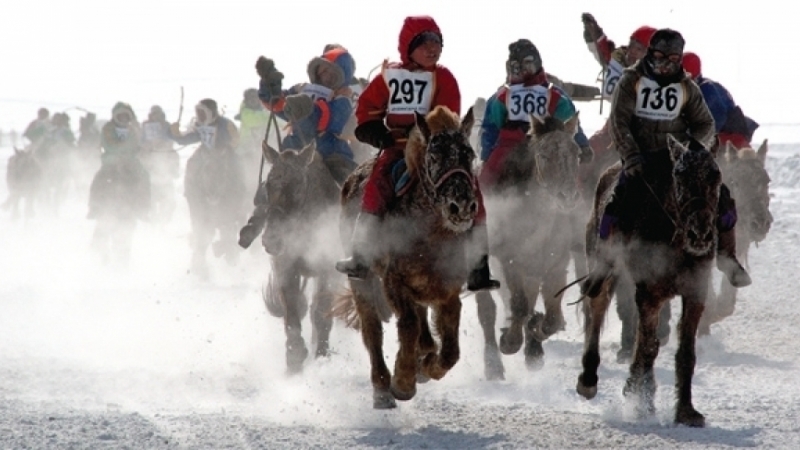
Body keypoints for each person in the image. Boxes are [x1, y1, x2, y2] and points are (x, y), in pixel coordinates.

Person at [332, 15, 500, 291]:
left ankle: (479, 267)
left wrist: (427, 136)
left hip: (436, 148)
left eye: (437, 42)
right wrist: (373, 129)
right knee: (376, 185)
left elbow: (448, 116)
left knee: (472, 192)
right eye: (425, 43)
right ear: (408, 46)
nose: (433, 48)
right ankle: (360, 256)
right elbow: (368, 107)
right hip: (397, 147)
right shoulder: (389, 76)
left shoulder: (443, 77)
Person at [581, 28, 751, 297]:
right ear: (651, 53)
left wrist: (694, 148)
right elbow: (619, 122)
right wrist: (630, 154)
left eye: (672, 59)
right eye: (659, 56)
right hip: (641, 156)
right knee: (615, 201)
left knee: (721, 196)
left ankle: (727, 257)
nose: (664, 64)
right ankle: (602, 265)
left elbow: (705, 123)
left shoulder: (686, 86)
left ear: (679, 59)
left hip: (679, 158)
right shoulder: (632, 80)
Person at [238, 45, 361, 248]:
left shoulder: (344, 95)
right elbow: (277, 105)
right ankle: (256, 223)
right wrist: (270, 85)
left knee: (353, 189)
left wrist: (308, 110)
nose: (325, 75)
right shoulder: (301, 89)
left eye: (331, 72)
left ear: (342, 74)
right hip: (294, 151)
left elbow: (333, 121)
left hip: (331, 153)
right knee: (273, 182)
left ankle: (355, 239)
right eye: (322, 70)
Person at [479, 38, 588, 188]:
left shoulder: (553, 94)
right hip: (512, 145)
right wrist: (487, 153)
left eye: (528, 63)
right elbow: (491, 126)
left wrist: (582, 144)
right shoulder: (503, 96)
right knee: (485, 181)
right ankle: (483, 204)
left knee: (570, 172)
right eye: (518, 66)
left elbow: (571, 124)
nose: (524, 70)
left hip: (546, 144)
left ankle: (577, 202)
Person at [682, 52, 759, 151]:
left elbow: (717, 119)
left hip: (730, 142)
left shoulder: (707, 89)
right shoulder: (701, 87)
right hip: (728, 140)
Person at [87, 102, 150, 220]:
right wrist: (126, 148)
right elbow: (110, 145)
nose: (124, 119)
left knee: (145, 175)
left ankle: (143, 208)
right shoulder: (108, 128)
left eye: (126, 116)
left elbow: (137, 145)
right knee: (99, 178)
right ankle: (94, 207)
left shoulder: (133, 130)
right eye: (121, 116)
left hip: (130, 161)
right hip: (112, 159)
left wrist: (140, 150)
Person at [141, 105, 180, 223]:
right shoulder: (145, 126)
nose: (155, 116)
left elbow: (172, 138)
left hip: (165, 155)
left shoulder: (167, 125)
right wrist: (147, 146)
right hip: (149, 155)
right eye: (153, 114)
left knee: (173, 156)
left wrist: (175, 133)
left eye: (157, 114)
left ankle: (174, 172)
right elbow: (141, 140)